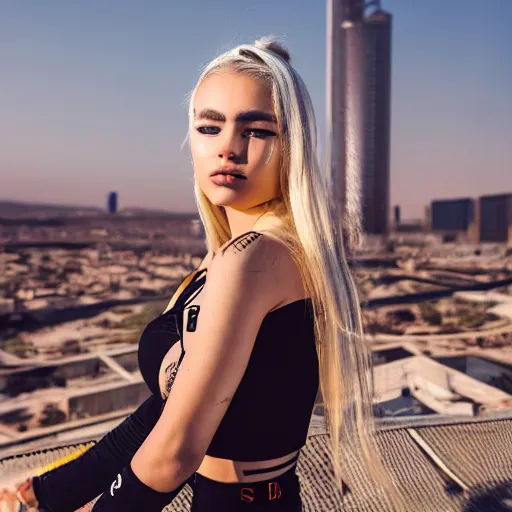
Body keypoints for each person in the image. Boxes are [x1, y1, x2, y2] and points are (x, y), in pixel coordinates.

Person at [9, 36, 403, 511]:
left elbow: (174, 453)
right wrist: (51, 493)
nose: (228, 149)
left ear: (293, 145)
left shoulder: (253, 260)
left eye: (257, 131)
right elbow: (158, 417)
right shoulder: (232, 253)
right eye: (209, 127)